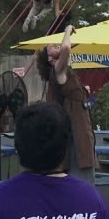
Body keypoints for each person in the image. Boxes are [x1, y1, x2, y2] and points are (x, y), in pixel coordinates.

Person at [36, 24, 96, 184]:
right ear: (49, 59)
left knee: (81, 167)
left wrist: (84, 91)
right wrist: (68, 30)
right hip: (76, 131)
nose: (52, 45)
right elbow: (66, 49)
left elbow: (71, 95)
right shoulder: (57, 69)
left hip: (80, 126)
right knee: (81, 171)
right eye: (49, 47)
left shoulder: (62, 71)